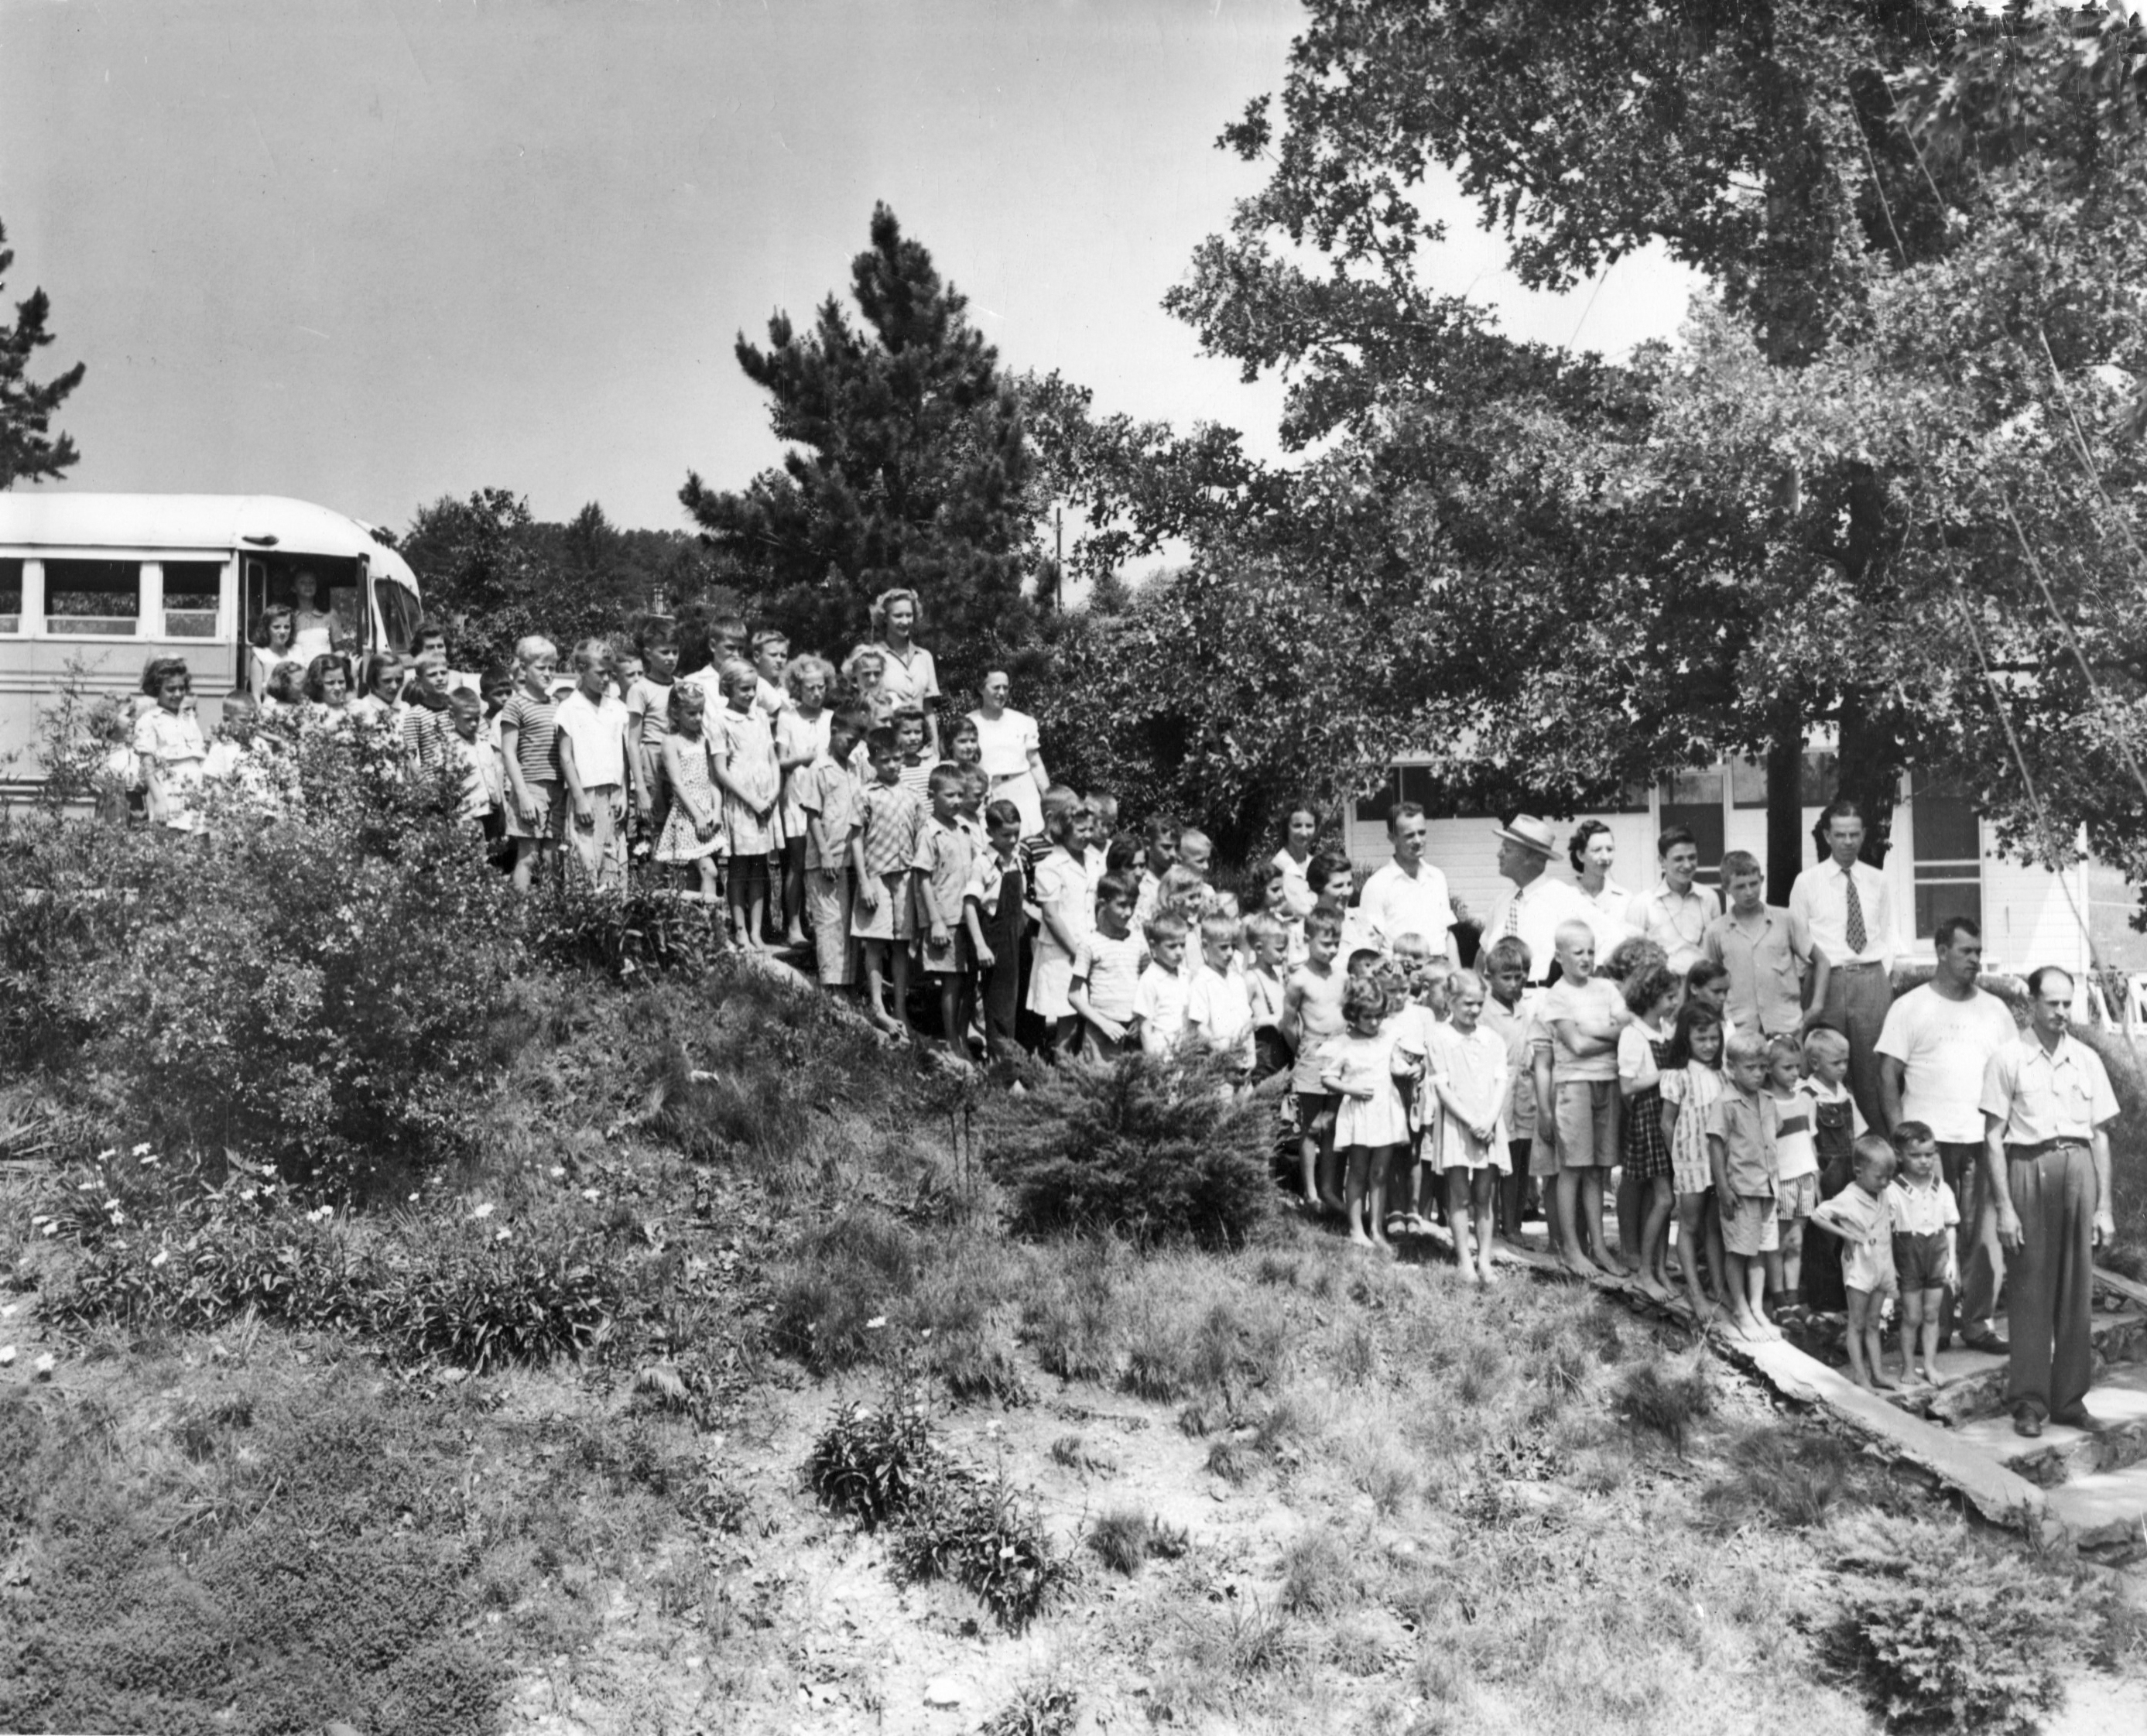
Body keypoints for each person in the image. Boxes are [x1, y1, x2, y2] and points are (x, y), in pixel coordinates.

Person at [1981, 965, 2120, 1436]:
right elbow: (1993, 1138)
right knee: (2030, 1290)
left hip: (2078, 1169)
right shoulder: (2008, 1058)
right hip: (2028, 1169)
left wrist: (2104, 1207)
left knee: (2078, 1290)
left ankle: (2069, 1400)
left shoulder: (2087, 1059)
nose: (2062, 1012)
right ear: (2032, 1003)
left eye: (2067, 1003)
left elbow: (2100, 1136)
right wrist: (2004, 1207)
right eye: (2052, 1003)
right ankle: (2029, 1402)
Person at [1875, 915, 2018, 1354]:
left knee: (1982, 1237)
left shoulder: (1995, 1010)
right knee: (1931, 1238)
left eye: (1978, 951)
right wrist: (1902, 1138)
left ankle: (1977, 1324)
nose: (1976, 960)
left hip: (1982, 1138)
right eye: (1966, 952)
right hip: (1927, 1146)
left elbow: (2015, 1073)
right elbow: (1887, 1074)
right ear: (1941, 951)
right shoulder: (1911, 1007)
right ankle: (1934, 1330)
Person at [1789, 798, 1901, 1130]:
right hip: (1827, 982)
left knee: (1873, 1071)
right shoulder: (1807, 882)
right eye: (1840, 835)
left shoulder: (1877, 880)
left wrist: (1879, 975)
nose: (1848, 842)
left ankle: (1880, 1154)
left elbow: (1888, 934)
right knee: (1823, 1069)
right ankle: (1829, 1158)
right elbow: (1798, 941)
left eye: (1854, 834)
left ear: (1864, 834)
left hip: (1870, 981)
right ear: (1827, 836)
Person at [1543, 919, 1628, 1276]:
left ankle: (1599, 1248)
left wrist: (1593, 1030)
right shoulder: (1558, 995)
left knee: (1598, 1171)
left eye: (1591, 951)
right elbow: (1574, 1046)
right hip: (1574, 1086)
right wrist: (1609, 1034)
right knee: (1574, 1168)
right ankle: (1571, 1249)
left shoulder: (1607, 988)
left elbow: (1629, 1026)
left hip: (1607, 1082)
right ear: (1560, 956)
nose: (1586, 958)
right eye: (1578, 952)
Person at [1428, 971, 1511, 1286]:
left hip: (1488, 1124)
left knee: (1484, 1196)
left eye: (1479, 1004)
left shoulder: (1492, 1039)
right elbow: (1443, 1087)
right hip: (1457, 1124)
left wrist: (1489, 1120)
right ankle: (1464, 1259)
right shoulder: (1440, 1038)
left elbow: (1501, 1081)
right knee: (1459, 1195)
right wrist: (1471, 1121)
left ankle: (1485, 1259)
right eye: (1467, 1004)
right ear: (1450, 1001)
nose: (1474, 1010)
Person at [1323, 975, 1409, 1252]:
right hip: (1360, 1112)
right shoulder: (1344, 1043)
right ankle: (1356, 1228)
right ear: (1353, 1014)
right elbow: (1328, 1077)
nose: (1374, 1023)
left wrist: (1411, 1070)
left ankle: (1376, 1228)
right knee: (1358, 1171)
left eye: (1378, 1016)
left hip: (1385, 1110)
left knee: (1380, 1173)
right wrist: (1351, 1089)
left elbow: (1397, 1067)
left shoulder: (1387, 1038)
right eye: (1367, 1017)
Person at [1707, 1032, 1783, 1343]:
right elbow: (1715, 1146)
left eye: (1763, 1067)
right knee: (1738, 1250)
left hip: (1768, 1189)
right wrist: (1723, 1189)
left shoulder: (1767, 1101)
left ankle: (1756, 1307)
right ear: (1731, 1068)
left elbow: (1772, 1134)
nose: (1758, 1074)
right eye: (1750, 1067)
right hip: (1741, 1190)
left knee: (1761, 1251)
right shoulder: (1725, 1103)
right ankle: (1739, 1308)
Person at [852, 724, 925, 1038]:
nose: (893, 766)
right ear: (872, 761)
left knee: (900, 945)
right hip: (877, 876)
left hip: (905, 878)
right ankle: (878, 1007)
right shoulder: (866, 794)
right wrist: (865, 882)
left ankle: (900, 1008)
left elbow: (922, 838)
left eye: (897, 760)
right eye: (886, 761)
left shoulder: (912, 796)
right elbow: (856, 839)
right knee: (876, 941)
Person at [1659, 1002, 1729, 1324]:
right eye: (1701, 1038)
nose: (1709, 1045)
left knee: (1713, 1226)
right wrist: (1677, 1161)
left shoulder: (1721, 1073)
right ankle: (1695, 1292)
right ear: (1686, 1038)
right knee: (1689, 1225)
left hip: (1718, 1160)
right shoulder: (1678, 1076)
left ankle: (1717, 1287)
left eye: (1714, 1038)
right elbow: (1667, 1122)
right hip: (1690, 1160)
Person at [1811, 1137, 1900, 1388]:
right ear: (1859, 1172)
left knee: (1874, 1323)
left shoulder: (1883, 1193)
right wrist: (1846, 1235)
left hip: (1882, 1265)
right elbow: (1818, 1216)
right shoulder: (1849, 1197)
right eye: (1880, 1177)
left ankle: (1878, 1373)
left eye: (1889, 1176)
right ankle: (1860, 1375)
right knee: (1857, 1323)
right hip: (1860, 1268)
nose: (1885, 1182)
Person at [1618, 962, 1681, 1303]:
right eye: (1669, 996)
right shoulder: (1635, 1033)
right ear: (1651, 997)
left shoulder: (1666, 1030)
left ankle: (1657, 1269)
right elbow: (1627, 1087)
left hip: (1669, 1117)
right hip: (1649, 1118)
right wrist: (1665, 1074)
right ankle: (1644, 1273)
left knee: (1666, 1199)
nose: (1674, 1002)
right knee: (1665, 1198)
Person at [711, 659, 783, 951]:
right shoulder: (720, 720)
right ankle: (739, 930)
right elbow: (721, 770)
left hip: (765, 801)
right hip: (742, 801)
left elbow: (773, 759)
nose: (751, 694)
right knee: (740, 867)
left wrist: (774, 792)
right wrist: (751, 799)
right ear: (727, 688)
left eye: (754, 688)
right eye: (744, 689)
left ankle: (756, 933)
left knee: (760, 868)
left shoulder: (761, 718)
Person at [799, 707, 869, 991]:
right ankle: (832, 987)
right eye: (848, 739)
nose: (851, 746)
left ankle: (850, 984)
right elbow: (812, 815)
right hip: (825, 858)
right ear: (834, 731)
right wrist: (825, 853)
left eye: (856, 742)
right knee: (829, 923)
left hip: (851, 857)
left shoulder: (854, 768)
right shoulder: (819, 768)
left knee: (848, 922)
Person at [1704, 851, 1810, 1039]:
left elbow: (1821, 961)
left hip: (1786, 1025)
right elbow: (1708, 980)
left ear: (1762, 879)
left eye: (1753, 884)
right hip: (1740, 1027)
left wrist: (1815, 1007)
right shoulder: (1716, 931)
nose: (1749, 892)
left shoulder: (1786, 920)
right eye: (1740, 887)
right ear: (1726, 888)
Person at [553, 639, 632, 892]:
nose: (606, 679)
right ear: (581, 669)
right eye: (600, 673)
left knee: (614, 865)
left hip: (613, 796)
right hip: (586, 795)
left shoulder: (617, 709)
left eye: (610, 673)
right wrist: (579, 798)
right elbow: (566, 757)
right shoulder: (569, 708)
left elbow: (623, 756)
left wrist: (624, 795)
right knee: (584, 864)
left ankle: (615, 926)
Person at [1887, 1120, 1960, 1388]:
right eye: (1915, 1156)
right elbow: (1886, 1233)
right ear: (1899, 1156)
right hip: (1908, 1252)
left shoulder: (1942, 1188)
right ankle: (1908, 1366)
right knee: (1912, 1315)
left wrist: (1952, 1260)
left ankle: (1929, 1365)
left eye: (1929, 1155)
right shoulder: (1893, 1191)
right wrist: (1889, 1265)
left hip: (1937, 1250)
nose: (1924, 1161)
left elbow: (1951, 1226)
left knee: (1932, 1314)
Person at [1480, 814, 1594, 982]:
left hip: (1542, 998)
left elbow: (1609, 944)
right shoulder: (1502, 903)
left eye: (1507, 849)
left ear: (1530, 857)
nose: (1499, 854)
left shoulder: (1565, 898)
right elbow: (1482, 953)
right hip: (1499, 1003)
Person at [1478, 935, 1539, 1246]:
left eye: (1519, 976)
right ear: (1489, 978)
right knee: (1496, 1159)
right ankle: (1492, 1222)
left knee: (1520, 1157)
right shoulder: (1483, 1012)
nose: (1516, 983)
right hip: (1496, 1091)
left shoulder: (1522, 1008)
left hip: (1524, 1089)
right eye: (1507, 977)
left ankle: (1514, 1224)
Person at [1287, 908, 1349, 1215]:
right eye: (1325, 943)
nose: (1332, 950)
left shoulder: (1342, 976)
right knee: (1311, 1127)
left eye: (1336, 943)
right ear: (1307, 939)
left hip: (1338, 1051)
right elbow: (1287, 1024)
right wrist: (1304, 1049)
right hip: (1312, 1052)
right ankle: (1310, 1192)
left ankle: (1328, 1189)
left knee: (1331, 1126)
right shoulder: (1299, 979)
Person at [913, 765, 977, 1053]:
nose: (956, 801)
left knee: (967, 982)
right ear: (932, 796)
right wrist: (935, 921)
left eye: (960, 795)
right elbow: (923, 878)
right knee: (951, 982)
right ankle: (951, 1041)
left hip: (968, 918)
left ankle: (962, 1037)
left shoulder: (964, 829)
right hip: (946, 918)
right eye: (949, 795)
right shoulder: (929, 832)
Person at [776, 655, 836, 949]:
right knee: (797, 864)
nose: (816, 693)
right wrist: (805, 758)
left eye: (821, 687)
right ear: (797, 688)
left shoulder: (831, 718)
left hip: (828, 799)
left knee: (826, 860)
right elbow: (781, 761)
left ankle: (824, 923)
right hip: (798, 797)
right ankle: (794, 926)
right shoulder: (788, 718)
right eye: (809, 688)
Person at [1357, 803, 1460, 960]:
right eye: (1409, 835)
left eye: (1422, 832)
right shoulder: (1377, 884)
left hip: (1439, 971)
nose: (1418, 840)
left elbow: (1447, 934)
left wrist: (1456, 977)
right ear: (1392, 838)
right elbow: (1370, 946)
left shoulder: (1437, 877)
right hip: (1400, 975)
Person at [965, 798, 1027, 1058]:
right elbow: (969, 905)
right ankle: (1001, 1069)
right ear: (990, 833)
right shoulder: (983, 864)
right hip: (995, 938)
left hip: (1017, 936)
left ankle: (1015, 1064)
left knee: (1016, 1004)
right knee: (999, 1004)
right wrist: (980, 945)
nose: (1013, 840)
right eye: (1006, 835)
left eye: (1017, 833)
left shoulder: (1018, 859)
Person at [1765, 1035, 1820, 1323]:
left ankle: (1793, 1296)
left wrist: (1816, 1177)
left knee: (1797, 1240)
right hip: (1782, 1180)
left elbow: (1810, 1142)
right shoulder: (1767, 1103)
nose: (1794, 1073)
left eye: (1797, 1067)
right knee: (1780, 1240)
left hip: (1805, 1178)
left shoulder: (1805, 1100)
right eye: (1787, 1067)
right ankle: (1778, 1300)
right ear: (1769, 1068)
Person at [656, 683, 724, 908]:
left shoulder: (704, 740)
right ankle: (707, 926)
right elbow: (677, 783)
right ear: (676, 713)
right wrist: (697, 816)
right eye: (691, 713)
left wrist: (716, 811)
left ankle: (699, 927)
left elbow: (714, 780)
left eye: (701, 712)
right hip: (688, 815)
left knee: (699, 876)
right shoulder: (671, 742)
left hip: (708, 813)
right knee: (709, 871)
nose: (697, 718)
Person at [967, 669, 1048, 838]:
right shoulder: (969, 723)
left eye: (1006, 687)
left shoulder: (1021, 721)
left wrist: (1049, 798)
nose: (1002, 693)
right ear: (981, 689)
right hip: (989, 793)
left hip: (1023, 790)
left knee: (1031, 841)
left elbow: (1035, 764)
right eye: (996, 687)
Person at [1070, 871, 1143, 1056]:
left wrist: (1140, 1019)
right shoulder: (1090, 944)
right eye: (1121, 905)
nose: (1128, 913)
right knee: (1099, 1083)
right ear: (1103, 904)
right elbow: (1074, 995)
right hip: (1101, 1031)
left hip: (1133, 1031)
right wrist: (1103, 1023)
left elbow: (1147, 986)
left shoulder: (1139, 942)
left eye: (1132, 906)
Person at [133, 657, 208, 831]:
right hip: (168, 790)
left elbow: (200, 756)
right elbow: (147, 766)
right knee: (172, 838)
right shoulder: (149, 720)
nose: (178, 694)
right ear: (157, 689)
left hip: (195, 789)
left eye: (181, 688)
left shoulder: (188, 717)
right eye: (171, 689)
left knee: (199, 843)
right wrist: (159, 800)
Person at [1633, 826, 1720, 976]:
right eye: (1678, 859)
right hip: (1662, 987)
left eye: (1692, 857)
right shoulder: (1644, 902)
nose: (1687, 865)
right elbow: (1632, 955)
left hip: (1700, 985)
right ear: (1662, 860)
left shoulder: (1709, 898)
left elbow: (1716, 949)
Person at [870, 587, 940, 755]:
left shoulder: (924, 657)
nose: (905, 621)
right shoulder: (873, 655)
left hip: (920, 747)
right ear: (885, 618)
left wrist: (936, 749)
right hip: (888, 749)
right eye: (898, 616)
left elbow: (928, 708)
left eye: (909, 615)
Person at [626, 622, 680, 843]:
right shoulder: (640, 689)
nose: (671, 658)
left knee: (679, 823)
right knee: (656, 827)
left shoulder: (682, 685)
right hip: (653, 759)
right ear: (648, 654)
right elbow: (633, 741)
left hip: (678, 757)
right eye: (664, 652)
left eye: (675, 651)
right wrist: (640, 787)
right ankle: (654, 877)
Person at [1187, 913, 1255, 1077]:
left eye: (1233, 946)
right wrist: (1223, 1052)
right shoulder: (1202, 981)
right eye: (1223, 947)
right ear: (1205, 945)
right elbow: (1199, 1026)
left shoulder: (1237, 979)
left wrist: (1252, 1056)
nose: (1230, 952)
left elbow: (1247, 1021)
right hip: (1218, 1066)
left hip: (1243, 1062)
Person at [1568, 819, 1632, 954]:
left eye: (1610, 849)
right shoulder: (1566, 895)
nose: (1605, 857)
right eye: (1597, 850)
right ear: (1580, 855)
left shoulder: (1625, 899)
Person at [1134, 909, 1193, 1056]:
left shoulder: (1186, 975)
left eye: (1182, 945)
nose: (1179, 952)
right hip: (1161, 1054)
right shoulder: (1150, 979)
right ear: (1153, 946)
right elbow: (1145, 1029)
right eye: (1172, 946)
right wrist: (1154, 1065)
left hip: (1185, 1051)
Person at [1274, 806, 1319, 919]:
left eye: (1309, 826)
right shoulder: (1276, 867)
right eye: (1297, 826)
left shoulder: (1318, 865)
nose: (1304, 833)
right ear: (1286, 828)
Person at [288, 568, 341, 663]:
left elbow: (339, 649)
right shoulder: (289, 616)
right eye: (303, 582)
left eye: (312, 582)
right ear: (293, 588)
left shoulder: (330, 614)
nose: (308, 585)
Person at [247, 604, 299, 698]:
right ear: (267, 629)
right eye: (276, 627)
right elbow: (256, 697)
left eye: (287, 627)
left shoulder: (296, 652)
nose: (283, 632)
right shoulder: (260, 655)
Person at [749, 630, 790, 717]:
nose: (779, 660)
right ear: (757, 657)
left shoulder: (789, 689)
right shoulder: (749, 687)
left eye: (783, 656)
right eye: (773, 655)